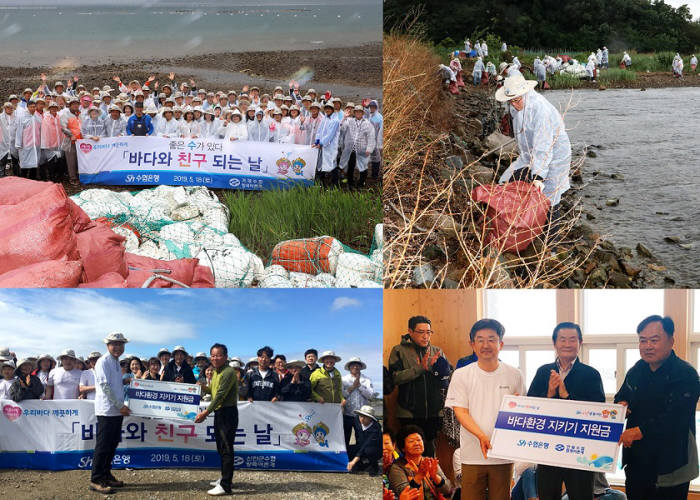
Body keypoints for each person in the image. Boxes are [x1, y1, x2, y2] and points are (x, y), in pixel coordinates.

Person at [614, 315, 700, 500]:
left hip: (671, 463)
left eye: (654, 340)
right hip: (637, 461)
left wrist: (637, 432)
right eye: (642, 341)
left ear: (671, 341)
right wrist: (622, 405)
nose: (647, 346)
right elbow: (622, 396)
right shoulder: (637, 370)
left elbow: (676, 418)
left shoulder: (686, 375)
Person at [444, 318, 525, 500]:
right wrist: (481, 436)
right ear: (472, 344)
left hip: (503, 454)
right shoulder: (461, 374)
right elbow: (460, 411)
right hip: (472, 455)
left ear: (501, 344)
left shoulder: (515, 374)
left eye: (491, 339)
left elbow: (520, 412)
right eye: (480, 340)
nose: (486, 344)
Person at [527, 322, 605, 500]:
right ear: (555, 343)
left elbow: (598, 411)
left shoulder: (591, 374)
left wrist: (566, 396)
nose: (567, 344)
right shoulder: (543, 372)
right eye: (562, 339)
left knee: (581, 496)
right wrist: (549, 393)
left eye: (573, 340)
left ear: (580, 343)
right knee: (547, 495)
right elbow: (531, 407)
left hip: (579, 450)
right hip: (548, 448)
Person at [495, 73, 572, 219]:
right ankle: (518, 221)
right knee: (506, 182)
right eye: (510, 101)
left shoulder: (540, 110)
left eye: (516, 100)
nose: (514, 104)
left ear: (526, 93)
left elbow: (543, 147)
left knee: (549, 199)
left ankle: (549, 237)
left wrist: (538, 176)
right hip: (529, 155)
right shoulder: (517, 105)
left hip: (554, 156)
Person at [388, 315, 452, 457]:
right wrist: (420, 368)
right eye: (421, 332)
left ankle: (430, 479)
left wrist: (442, 372)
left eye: (428, 332)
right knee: (410, 452)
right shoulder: (398, 350)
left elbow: (450, 376)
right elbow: (395, 378)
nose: (425, 336)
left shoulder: (437, 351)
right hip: (408, 413)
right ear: (410, 332)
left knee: (430, 452)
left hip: (434, 413)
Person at [195, 343, 239, 496]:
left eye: (218, 355)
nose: (215, 358)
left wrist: (205, 413)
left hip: (227, 413)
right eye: (212, 355)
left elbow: (220, 395)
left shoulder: (228, 372)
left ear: (225, 357)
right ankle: (223, 477)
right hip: (220, 413)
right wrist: (200, 388)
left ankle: (226, 485)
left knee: (226, 448)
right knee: (221, 447)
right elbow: (213, 392)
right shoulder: (215, 372)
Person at [90, 333, 130, 494]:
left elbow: (113, 383)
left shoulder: (115, 362)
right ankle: (96, 479)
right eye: (114, 344)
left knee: (112, 444)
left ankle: (106, 475)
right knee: (103, 445)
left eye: (120, 344)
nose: (118, 347)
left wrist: (123, 381)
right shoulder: (103, 361)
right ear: (107, 345)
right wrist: (120, 405)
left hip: (116, 411)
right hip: (107, 410)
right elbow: (105, 386)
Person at [388, 425, 451, 499]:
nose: (416, 443)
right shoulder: (397, 467)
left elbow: (448, 490)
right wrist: (419, 476)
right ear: (403, 448)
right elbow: (404, 494)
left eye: (419, 440)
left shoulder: (430, 462)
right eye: (411, 441)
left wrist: (435, 477)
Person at [342, 356, 374, 453]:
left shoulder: (367, 380)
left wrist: (359, 386)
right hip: (346, 414)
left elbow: (370, 395)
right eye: (353, 365)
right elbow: (341, 395)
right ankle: (346, 458)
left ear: (360, 367)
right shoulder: (343, 379)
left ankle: (360, 459)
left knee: (361, 438)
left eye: (357, 365)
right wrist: (352, 387)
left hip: (361, 416)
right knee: (345, 438)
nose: (355, 367)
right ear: (349, 367)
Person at [339, 104, 376, 188]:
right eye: (356, 112)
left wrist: (369, 148)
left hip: (362, 149)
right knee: (350, 165)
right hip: (351, 149)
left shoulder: (367, 123)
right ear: (354, 113)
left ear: (363, 113)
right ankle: (350, 182)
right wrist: (344, 117)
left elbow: (371, 137)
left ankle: (361, 183)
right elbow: (342, 129)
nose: (358, 113)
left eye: (360, 112)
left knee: (363, 166)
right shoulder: (349, 121)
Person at [347, 405, 382, 474]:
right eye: (360, 416)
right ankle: (361, 465)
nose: (362, 419)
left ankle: (374, 466)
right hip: (360, 445)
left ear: (370, 418)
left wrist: (354, 460)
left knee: (368, 451)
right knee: (349, 449)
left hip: (375, 449)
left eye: (365, 417)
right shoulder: (356, 420)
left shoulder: (375, 428)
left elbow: (366, 444)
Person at [314, 102, 341, 185]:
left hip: (330, 147)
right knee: (321, 164)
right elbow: (319, 131)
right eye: (326, 108)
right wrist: (317, 141)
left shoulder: (335, 120)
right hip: (322, 146)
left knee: (332, 165)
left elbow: (330, 135)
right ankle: (321, 183)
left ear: (332, 109)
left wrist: (321, 143)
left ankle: (335, 184)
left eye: (329, 108)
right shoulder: (324, 119)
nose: (327, 110)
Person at [14, 100, 42, 179]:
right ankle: (24, 180)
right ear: (27, 107)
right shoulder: (22, 117)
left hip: (35, 145)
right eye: (31, 107)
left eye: (34, 107)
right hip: (26, 145)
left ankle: (32, 180)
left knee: (34, 164)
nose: (32, 108)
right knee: (25, 165)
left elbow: (40, 130)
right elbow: (19, 131)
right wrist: (18, 144)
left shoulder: (38, 117)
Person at [40, 101, 65, 181]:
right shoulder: (46, 118)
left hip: (59, 142)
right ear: (49, 109)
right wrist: (46, 144)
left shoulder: (59, 117)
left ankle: (58, 177)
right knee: (51, 161)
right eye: (52, 108)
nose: (53, 109)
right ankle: (52, 177)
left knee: (59, 160)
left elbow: (62, 129)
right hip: (50, 143)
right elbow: (44, 132)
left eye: (55, 108)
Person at [0, 101, 18, 176]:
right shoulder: (1, 117)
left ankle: (16, 179)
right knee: (2, 164)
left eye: (11, 108)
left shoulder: (16, 118)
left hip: (14, 144)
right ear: (4, 108)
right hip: (3, 144)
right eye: (7, 107)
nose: (9, 109)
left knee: (15, 164)